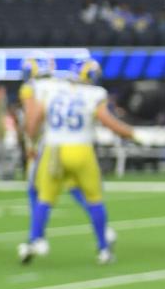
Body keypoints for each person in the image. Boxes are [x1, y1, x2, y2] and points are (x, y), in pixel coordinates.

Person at [20, 58, 138, 265]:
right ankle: (103, 248)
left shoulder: (50, 89)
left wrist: (31, 141)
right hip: (81, 149)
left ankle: (35, 239)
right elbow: (107, 120)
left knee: (44, 198)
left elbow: (33, 120)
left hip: (53, 148)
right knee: (94, 199)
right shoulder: (94, 94)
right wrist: (132, 134)